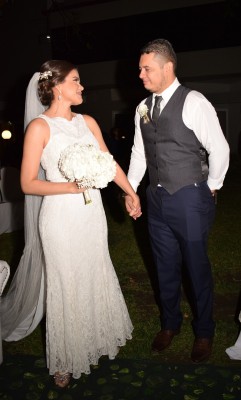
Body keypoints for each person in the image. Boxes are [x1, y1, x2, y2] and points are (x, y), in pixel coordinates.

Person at [20, 60, 142, 387]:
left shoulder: (88, 121)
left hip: (91, 216)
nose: (82, 86)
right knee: (65, 284)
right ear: (57, 86)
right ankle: (63, 359)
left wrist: (131, 193)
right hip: (60, 218)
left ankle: (93, 340)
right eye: (76, 81)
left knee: (94, 272)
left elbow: (109, 162)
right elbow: (28, 183)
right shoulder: (39, 127)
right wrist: (70, 187)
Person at [125, 39, 230, 363]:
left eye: (147, 69)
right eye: (140, 68)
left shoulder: (194, 101)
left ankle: (204, 331)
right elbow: (140, 154)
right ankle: (170, 324)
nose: (141, 75)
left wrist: (211, 186)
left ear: (167, 67)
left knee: (196, 268)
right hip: (155, 200)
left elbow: (220, 149)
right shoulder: (142, 107)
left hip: (189, 197)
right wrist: (130, 191)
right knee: (164, 266)